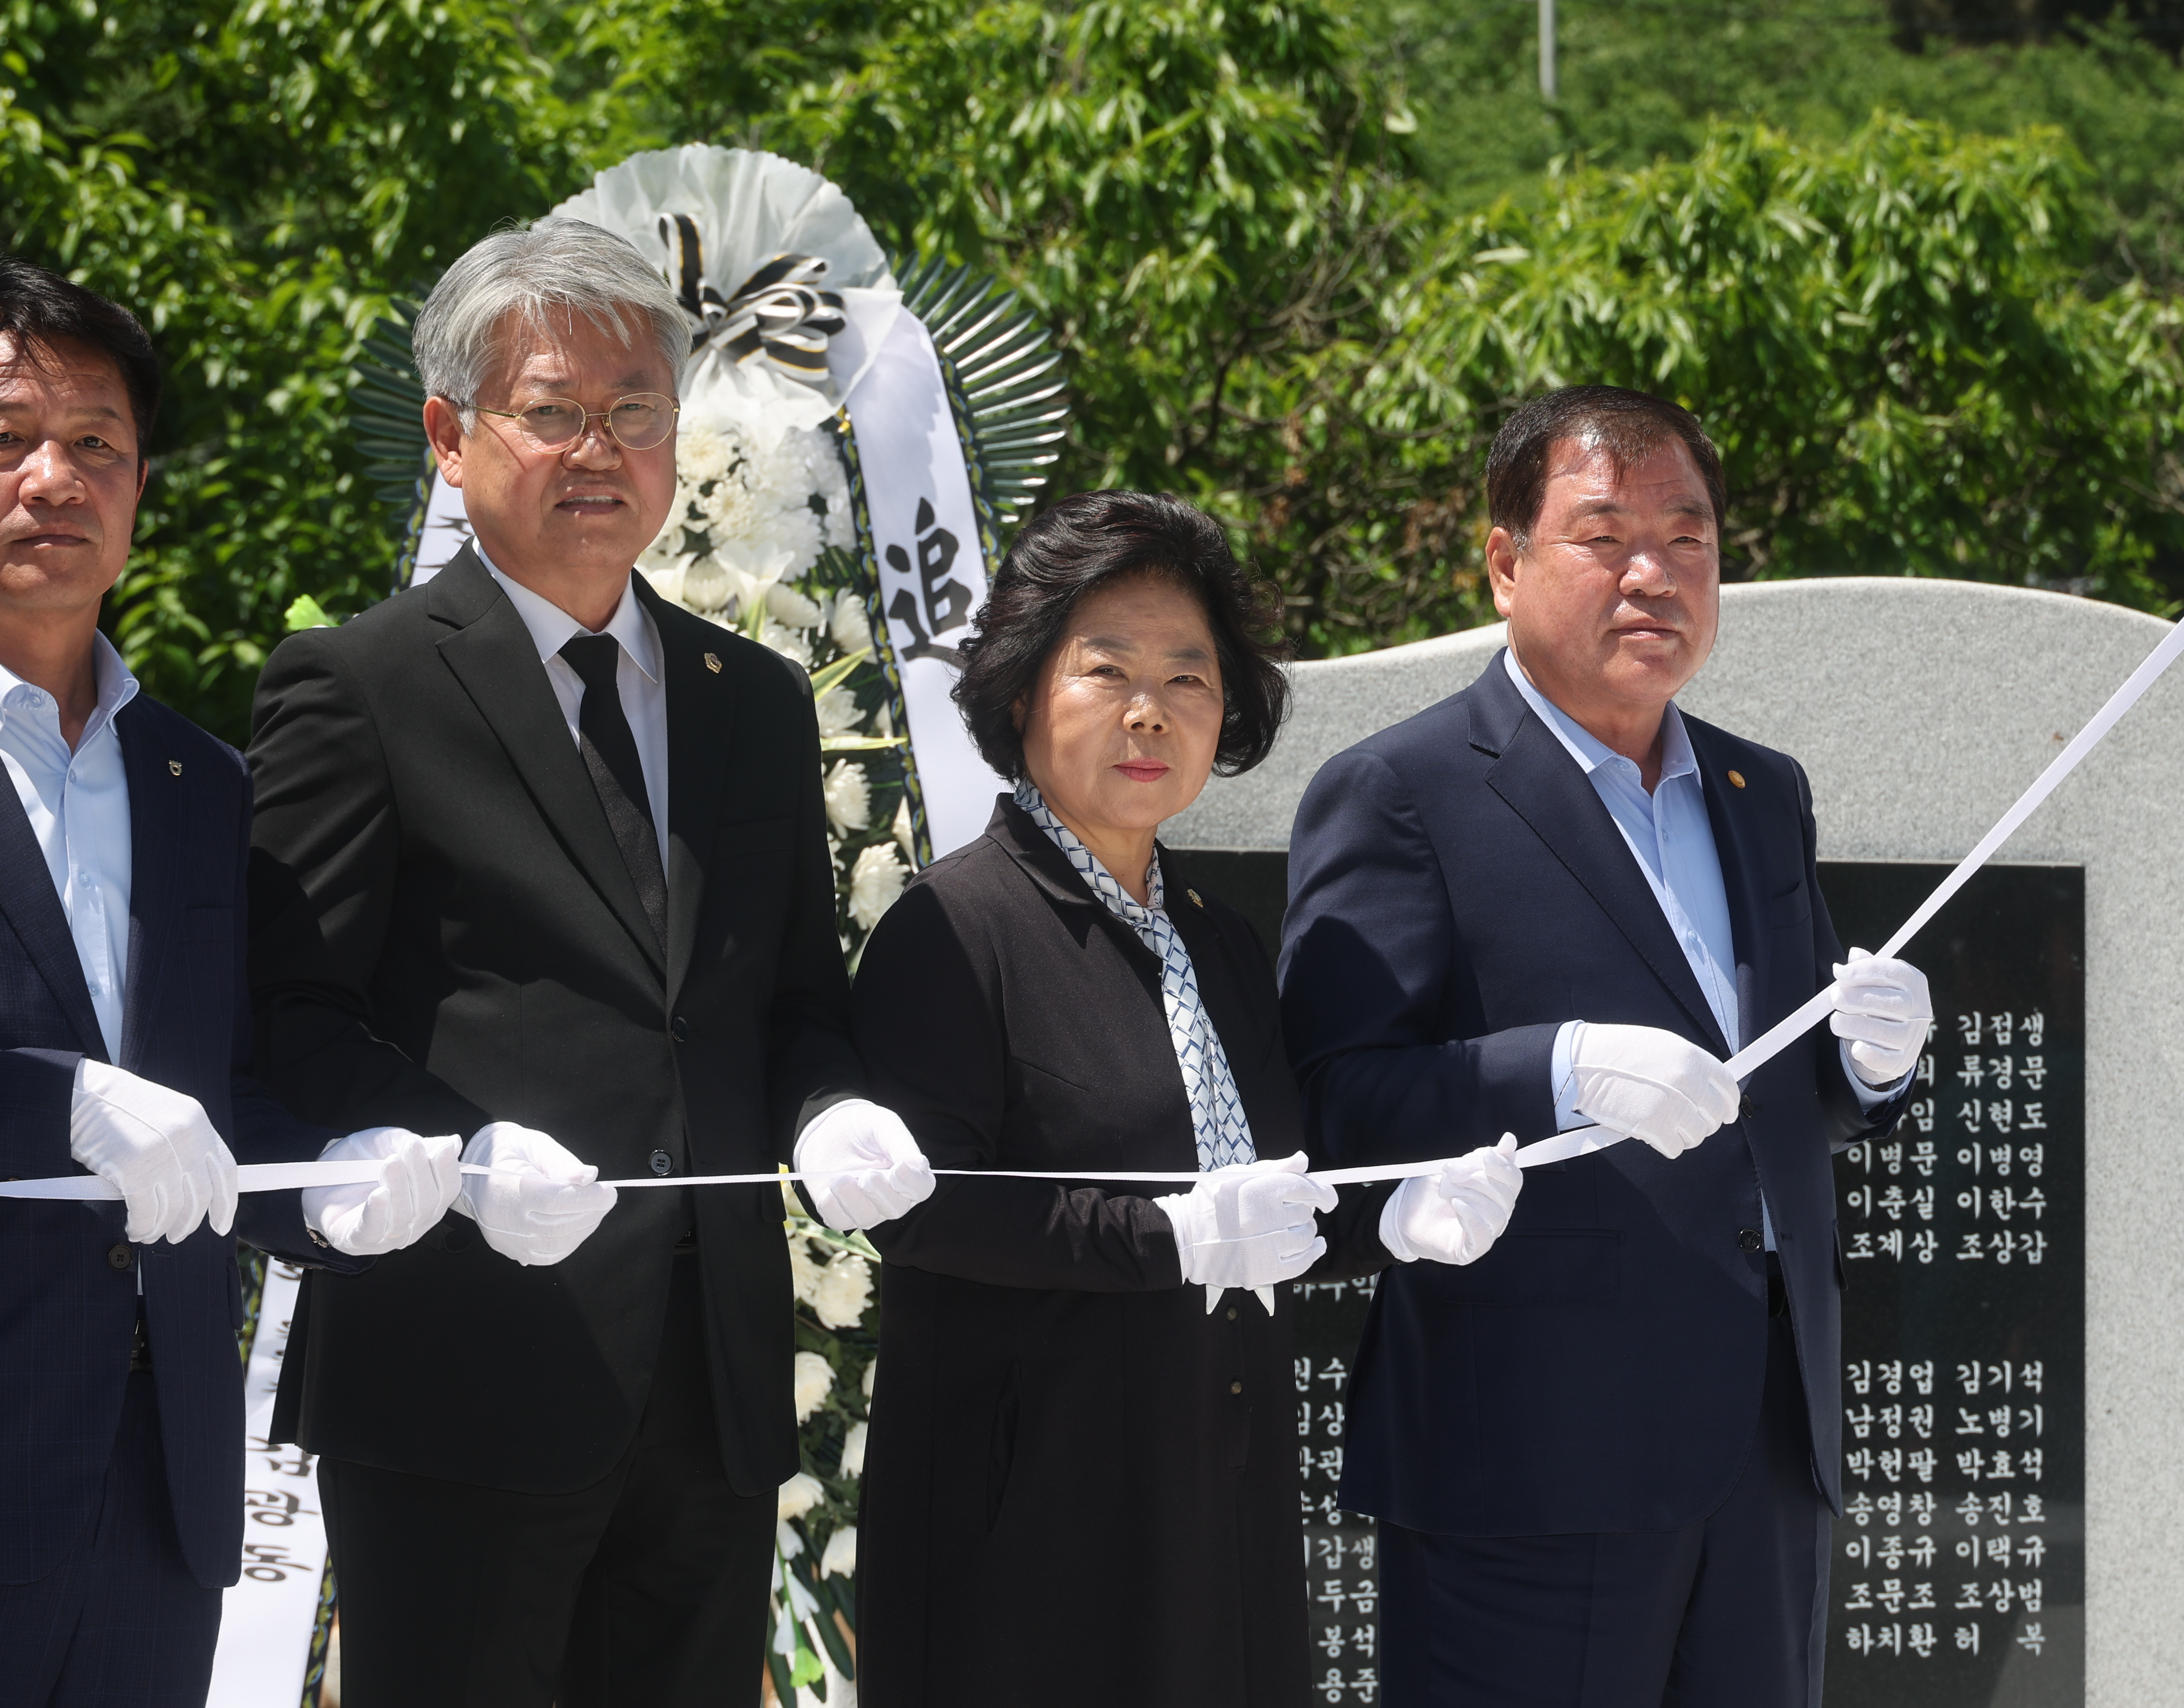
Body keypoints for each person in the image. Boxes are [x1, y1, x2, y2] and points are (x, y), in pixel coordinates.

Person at [244, 217, 937, 1708]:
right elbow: (288, 1020)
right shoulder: (357, 686)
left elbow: (789, 1004)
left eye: (636, 412)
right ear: (450, 434)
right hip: (463, 1362)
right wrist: (455, 1147)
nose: (600, 449)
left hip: (712, 1377)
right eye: (553, 411)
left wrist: (833, 1109)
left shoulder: (747, 696)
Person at [1279, 385, 1935, 1707]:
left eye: (1687, 539)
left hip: (1763, 1439)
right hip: (1530, 1453)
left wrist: (1875, 1069)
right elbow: (1340, 1107)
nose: (1655, 575)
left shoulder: (1763, 792)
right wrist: (1559, 1065)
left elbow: (1777, 1089)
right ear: (1505, 562)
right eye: (1604, 536)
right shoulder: (1402, 792)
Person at [847, 489, 1526, 1707]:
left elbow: (1269, 1200)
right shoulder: (954, 927)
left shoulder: (1215, 941)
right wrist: (1165, 1238)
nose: (1150, 709)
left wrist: (1396, 1218)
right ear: (1021, 694)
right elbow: (923, 1210)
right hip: (1028, 1526)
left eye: (1188, 677)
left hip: (1218, 1496)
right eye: (1106, 671)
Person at [0, 260, 458, 1707]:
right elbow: (105, 1106)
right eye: (8, 437)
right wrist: (57, 1102)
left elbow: (222, 1090)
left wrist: (335, 1179)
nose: (50, 480)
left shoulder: (205, 782)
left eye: (96, 446)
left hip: (158, 1482)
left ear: (139, 490)